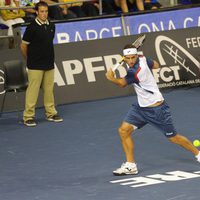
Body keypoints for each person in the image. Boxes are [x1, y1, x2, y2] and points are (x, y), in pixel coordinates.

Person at [105, 44, 200, 175]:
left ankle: (198, 154)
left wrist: (111, 78)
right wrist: (143, 60)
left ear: (136, 56)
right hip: (140, 108)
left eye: (133, 57)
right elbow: (156, 65)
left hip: (157, 109)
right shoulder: (143, 58)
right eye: (128, 58)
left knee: (173, 138)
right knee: (123, 131)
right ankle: (130, 165)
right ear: (124, 58)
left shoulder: (136, 71)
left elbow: (121, 84)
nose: (131, 61)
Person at [20, 1, 63, 127]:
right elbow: (23, 46)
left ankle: (51, 113)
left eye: (46, 11)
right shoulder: (31, 27)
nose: (44, 14)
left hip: (49, 63)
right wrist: (30, 59)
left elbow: (47, 43)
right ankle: (28, 116)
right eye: (42, 11)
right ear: (37, 12)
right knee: (32, 91)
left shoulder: (51, 26)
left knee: (49, 90)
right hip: (35, 65)